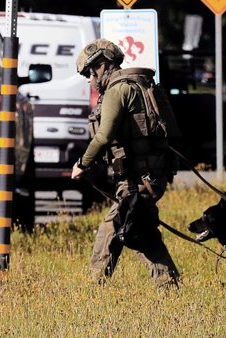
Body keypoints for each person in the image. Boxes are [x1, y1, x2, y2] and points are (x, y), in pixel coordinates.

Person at [70, 39, 180, 289]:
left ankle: (96, 286)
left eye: (90, 72)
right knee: (129, 227)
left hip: (137, 177)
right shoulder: (140, 85)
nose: (89, 79)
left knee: (126, 228)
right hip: (151, 173)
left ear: (102, 66)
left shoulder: (118, 90)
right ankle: (165, 283)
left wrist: (82, 164)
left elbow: (104, 136)